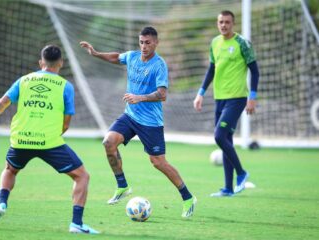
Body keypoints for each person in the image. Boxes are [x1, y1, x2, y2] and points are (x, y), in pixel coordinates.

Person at [0, 45, 99, 234]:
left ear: (41, 63)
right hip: (49, 142)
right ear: (61, 63)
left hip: (20, 140)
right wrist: (51, 135)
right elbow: (66, 122)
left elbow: (1, 104)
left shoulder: (24, 81)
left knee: (10, 169)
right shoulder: (65, 86)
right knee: (82, 176)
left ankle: (1, 204)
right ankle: (76, 224)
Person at [80, 26, 197, 218]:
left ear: (156, 43)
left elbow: (163, 94)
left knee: (158, 162)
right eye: (141, 42)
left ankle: (188, 198)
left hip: (150, 122)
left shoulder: (159, 65)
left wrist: (139, 97)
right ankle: (122, 186)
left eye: (148, 42)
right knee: (108, 142)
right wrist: (95, 53)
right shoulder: (133, 56)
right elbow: (116, 57)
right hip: (130, 116)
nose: (144, 46)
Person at [193, 10, 260, 197]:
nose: (223, 25)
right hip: (219, 99)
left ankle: (242, 173)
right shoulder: (214, 43)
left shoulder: (242, 43)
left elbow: (255, 71)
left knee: (219, 136)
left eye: (227, 22)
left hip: (237, 99)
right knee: (226, 141)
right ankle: (228, 188)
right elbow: (211, 70)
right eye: (221, 22)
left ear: (233, 23)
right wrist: (200, 93)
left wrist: (252, 97)